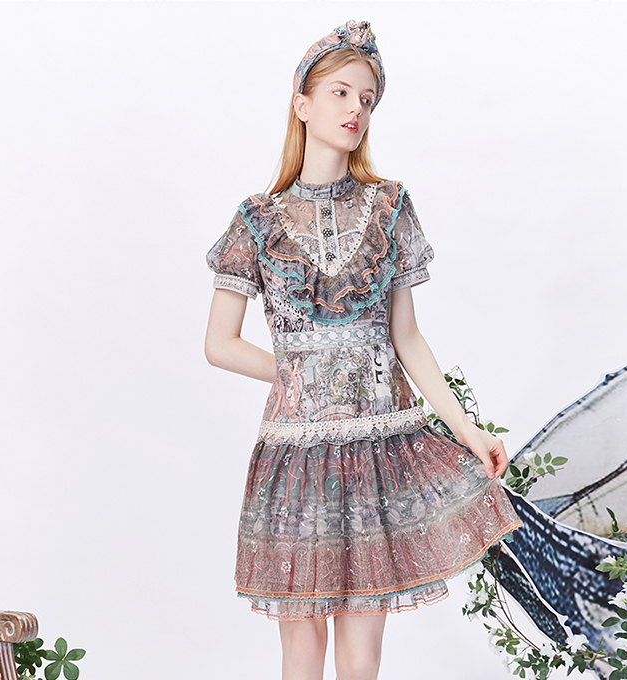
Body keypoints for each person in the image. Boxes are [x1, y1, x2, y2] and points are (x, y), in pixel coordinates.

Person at [204, 20, 521, 680]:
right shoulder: (256, 221)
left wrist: (467, 430)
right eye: (341, 92)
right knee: (301, 650)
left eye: (368, 99)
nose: (356, 109)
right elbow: (219, 344)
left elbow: (407, 337)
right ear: (302, 104)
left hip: (376, 451)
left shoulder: (390, 207)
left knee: (361, 653)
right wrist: (293, 373)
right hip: (295, 455)